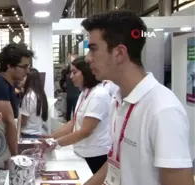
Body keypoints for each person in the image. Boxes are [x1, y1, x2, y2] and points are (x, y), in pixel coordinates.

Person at [82, 10, 194, 185]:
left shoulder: (163, 110)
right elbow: (116, 162)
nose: (88, 59)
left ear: (119, 53)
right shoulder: (117, 100)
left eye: (93, 49)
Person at [43, 56, 111, 174]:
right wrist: (51, 137)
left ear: (86, 72)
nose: (71, 77)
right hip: (83, 151)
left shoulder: (99, 95)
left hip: (96, 155)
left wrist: (56, 143)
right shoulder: (84, 93)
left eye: (74, 72)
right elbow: (74, 122)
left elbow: (85, 131)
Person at [0, 43, 33, 185]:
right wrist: (15, 156)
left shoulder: (7, 85)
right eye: (24, 67)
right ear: (10, 66)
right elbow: (9, 121)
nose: (27, 71)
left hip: (1, 149)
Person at [20, 68, 48, 138]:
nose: (21, 78)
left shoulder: (28, 97)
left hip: (27, 134)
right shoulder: (40, 94)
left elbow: (23, 121)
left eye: (23, 76)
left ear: (29, 79)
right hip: (38, 133)